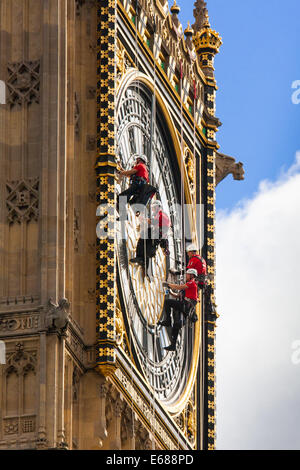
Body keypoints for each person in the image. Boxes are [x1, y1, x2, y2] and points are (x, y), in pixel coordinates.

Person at [158, 268, 198, 351]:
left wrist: (168, 284)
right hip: (184, 307)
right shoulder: (189, 285)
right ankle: (173, 345)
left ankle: (168, 321)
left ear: (191, 276)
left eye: (187, 274)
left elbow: (179, 287)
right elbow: (178, 295)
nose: (186, 276)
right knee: (177, 325)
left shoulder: (192, 283)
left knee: (167, 302)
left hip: (185, 305)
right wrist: (170, 292)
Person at [130, 200, 170, 271]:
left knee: (143, 239)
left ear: (158, 207)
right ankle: (142, 260)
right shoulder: (161, 215)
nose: (153, 209)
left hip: (157, 234)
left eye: (154, 208)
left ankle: (140, 258)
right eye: (153, 208)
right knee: (147, 245)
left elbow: (154, 222)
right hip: (158, 235)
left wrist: (144, 220)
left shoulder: (161, 214)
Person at [116, 154, 149, 218]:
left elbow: (130, 172)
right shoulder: (145, 170)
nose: (136, 161)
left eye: (137, 159)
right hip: (139, 187)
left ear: (139, 160)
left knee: (121, 197)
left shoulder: (140, 165)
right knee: (124, 198)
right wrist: (121, 169)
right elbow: (129, 175)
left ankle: (124, 215)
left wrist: (119, 172)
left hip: (137, 185)